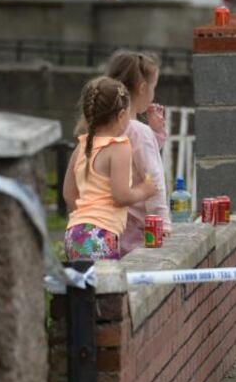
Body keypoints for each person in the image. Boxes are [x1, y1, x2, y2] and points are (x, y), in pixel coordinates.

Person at [63, 77, 159, 261]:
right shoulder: (119, 147)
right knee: (107, 288)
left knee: (85, 289)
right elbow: (121, 196)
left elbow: (69, 193)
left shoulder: (82, 146)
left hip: (74, 233)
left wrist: (86, 219)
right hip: (100, 235)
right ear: (122, 115)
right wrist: (144, 190)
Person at [105, 51, 171, 254]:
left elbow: (135, 163)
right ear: (143, 88)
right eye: (154, 87)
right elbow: (153, 178)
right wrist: (163, 224)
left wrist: (156, 134)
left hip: (110, 225)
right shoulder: (139, 132)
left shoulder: (106, 126)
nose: (153, 94)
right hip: (137, 229)